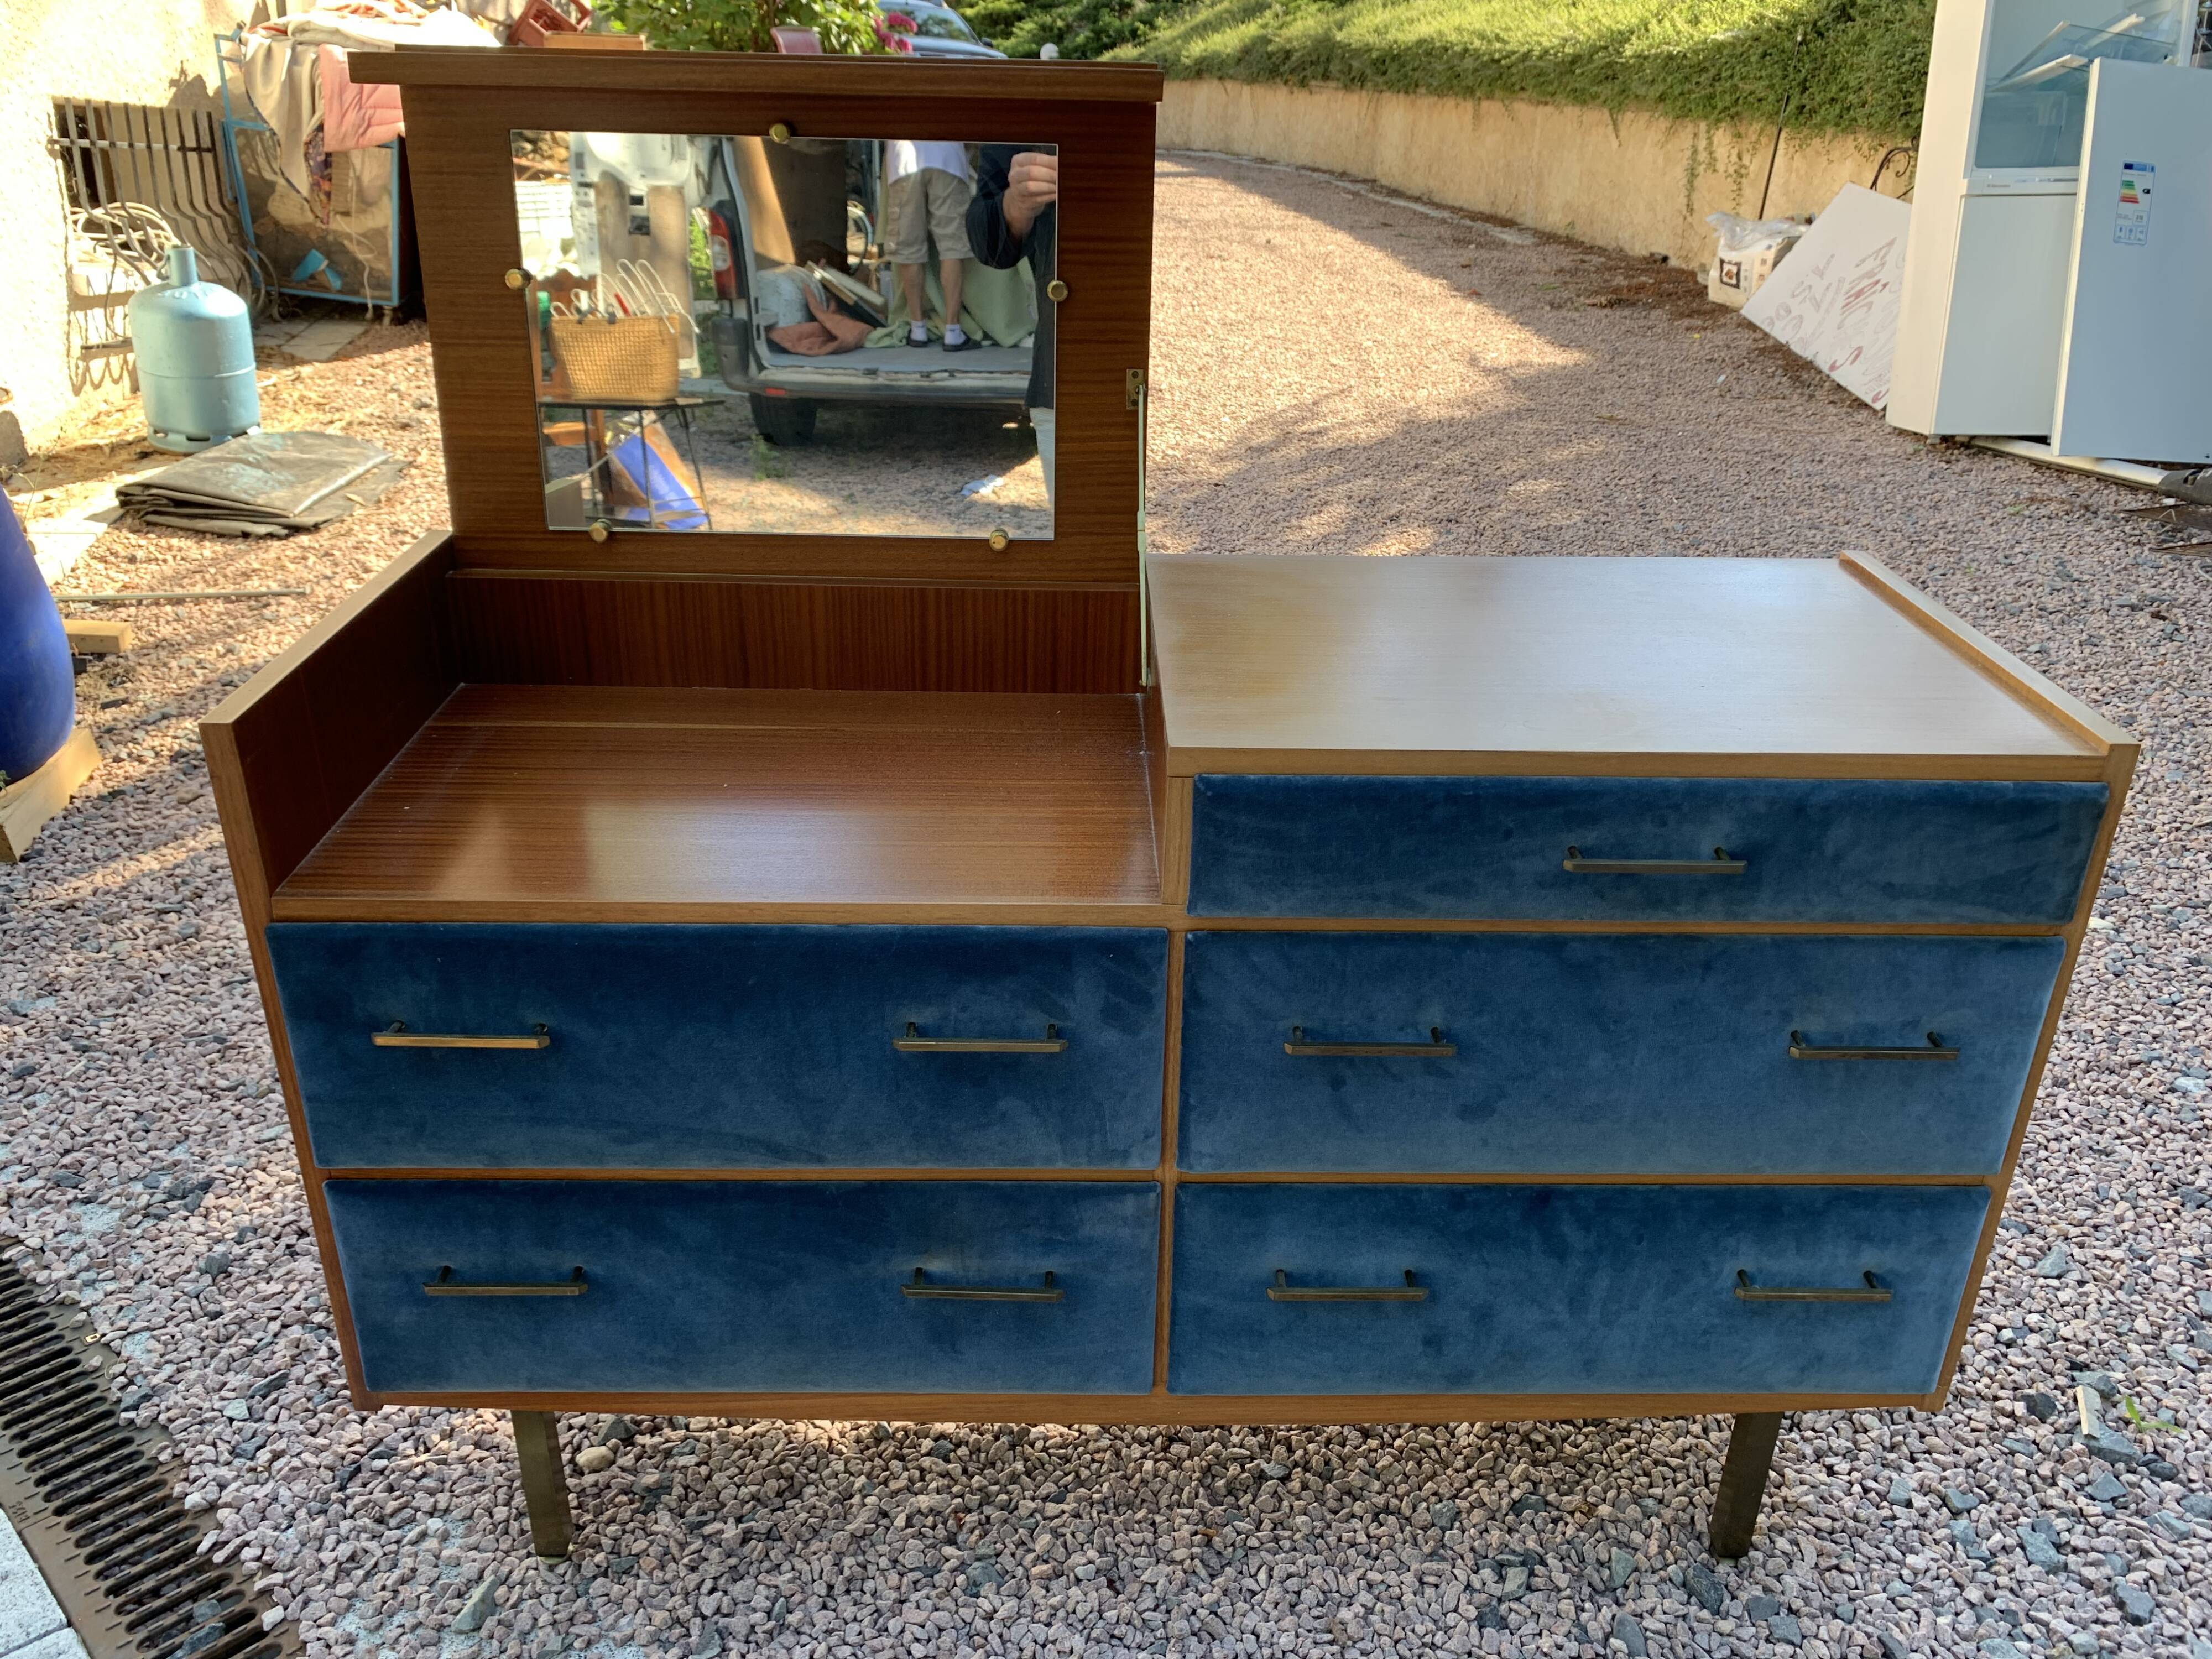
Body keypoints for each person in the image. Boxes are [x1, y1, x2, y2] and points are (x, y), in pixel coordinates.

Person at [967, 145, 1057, 497]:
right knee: (1082, 545)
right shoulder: (1025, 107)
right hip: (1060, 374)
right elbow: (989, 244)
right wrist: (1017, 203)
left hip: (1179, 366)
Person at [884, 140, 977, 352]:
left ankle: (918, 328)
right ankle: (953, 331)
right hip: (948, 157)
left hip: (903, 159)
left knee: (909, 246)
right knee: (952, 246)